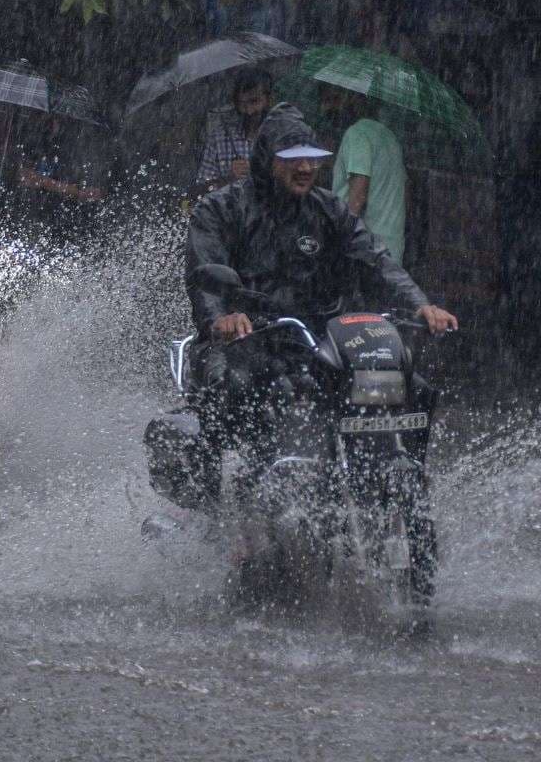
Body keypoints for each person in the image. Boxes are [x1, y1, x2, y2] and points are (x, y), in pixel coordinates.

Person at [185, 103, 456, 490]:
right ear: (266, 159)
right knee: (234, 388)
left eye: (312, 158)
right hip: (246, 339)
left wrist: (420, 304)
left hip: (318, 340)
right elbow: (204, 277)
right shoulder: (221, 208)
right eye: (293, 159)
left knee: (412, 388)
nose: (306, 168)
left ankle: (401, 482)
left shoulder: (328, 209)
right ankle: (227, 506)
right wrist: (220, 318)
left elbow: (375, 259)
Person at [320, 83, 407, 264]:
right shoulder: (389, 137)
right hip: (391, 249)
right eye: (326, 101)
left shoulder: (357, 134)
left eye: (335, 99)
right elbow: (405, 193)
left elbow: (358, 196)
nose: (327, 108)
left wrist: (339, 242)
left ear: (354, 100)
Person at [196, 67, 273, 192]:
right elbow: (199, 191)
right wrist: (228, 179)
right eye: (242, 103)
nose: (248, 110)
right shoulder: (220, 138)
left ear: (268, 100)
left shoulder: (284, 138)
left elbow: (297, 190)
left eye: (254, 101)